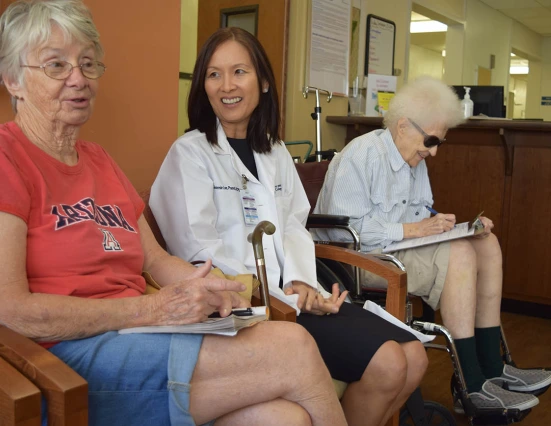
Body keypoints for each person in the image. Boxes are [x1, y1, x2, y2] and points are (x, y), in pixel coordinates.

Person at [0, 2, 349, 425]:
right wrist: (152, 311)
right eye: (56, 65)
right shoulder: (8, 158)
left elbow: (157, 260)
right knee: (293, 347)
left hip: (139, 335)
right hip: (66, 360)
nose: (78, 78)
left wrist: (218, 289)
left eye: (88, 64)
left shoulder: (99, 161)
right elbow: (10, 308)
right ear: (13, 80)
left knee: (284, 418)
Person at [150, 27, 429, 426]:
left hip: (293, 297)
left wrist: (302, 283)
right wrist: (284, 296)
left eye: (239, 72)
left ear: (263, 82)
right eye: (214, 74)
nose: (226, 85)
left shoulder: (274, 149)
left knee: (414, 357)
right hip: (246, 310)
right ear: (202, 85)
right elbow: (199, 251)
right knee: (387, 362)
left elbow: (296, 225)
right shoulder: (190, 153)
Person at [313, 76, 551, 412]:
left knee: (486, 243)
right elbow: (346, 232)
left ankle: (492, 365)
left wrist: (453, 226)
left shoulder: (415, 159)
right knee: (459, 255)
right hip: (355, 260)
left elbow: (421, 213)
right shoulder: (363, 154)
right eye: (430, 140)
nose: (434, 151)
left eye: (440, 141)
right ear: (402, 126)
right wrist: (417, 230)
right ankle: (470, 385)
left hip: (394, 249)